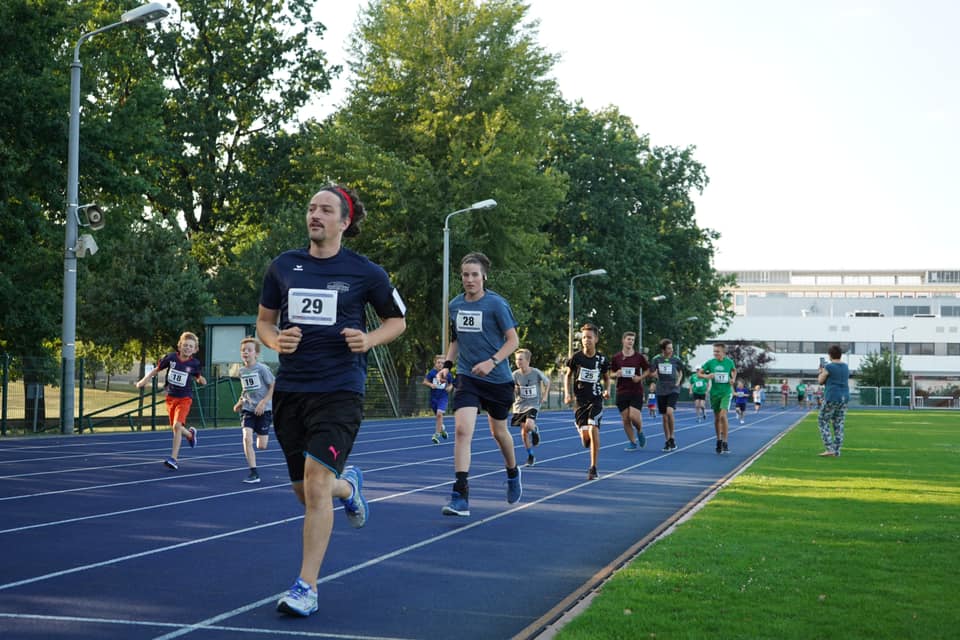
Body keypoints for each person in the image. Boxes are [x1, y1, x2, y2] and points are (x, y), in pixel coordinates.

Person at [257, 184, 407, 617]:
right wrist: (275, 340)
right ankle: (351, 487)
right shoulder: (283, 266)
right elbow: (265, 322)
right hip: (292, 391)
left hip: (340, 389)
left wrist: (369, 338)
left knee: (317, 485)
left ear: (345, 221)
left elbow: (398, 320)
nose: (315, 215)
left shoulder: (366, 272)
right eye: (311, 208)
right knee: (308, 494)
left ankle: (306, 586)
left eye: (326, 210)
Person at [438, 252, 522, 517]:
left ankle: (512, 472)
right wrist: (448, 367)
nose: (470, 279)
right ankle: (460, 495)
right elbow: (456, 340)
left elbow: (513, 341)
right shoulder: (454, 305)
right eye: (465, 275)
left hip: (497, 379)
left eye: (475, 275)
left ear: (484, 276)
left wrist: (492, 362)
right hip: (468, 376)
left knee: (499, 433)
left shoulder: (496, 305)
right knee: (463, 431)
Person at [136, 331, 207, 470]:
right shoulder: (171, 358)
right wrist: (144, 380)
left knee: (176, 427)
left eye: (190, 346)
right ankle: (190, 435)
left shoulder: (194, 363)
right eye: (185, 345)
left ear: (195, 349)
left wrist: (201, 380)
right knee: (177, 428)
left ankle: (173, 459)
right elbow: (156, 370)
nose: (187, 348)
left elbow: (198, 376)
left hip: (185, 398)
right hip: (170, 397)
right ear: (179, 346)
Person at [564, 323, 610, 480]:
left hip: (596, 399)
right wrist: (567, 394)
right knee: (586, 439)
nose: (586, 340)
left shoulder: (602, 359)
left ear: (596, 339)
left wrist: (607, 389)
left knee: (593, 428)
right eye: (584, 337)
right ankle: (584, 435)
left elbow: (606, 377)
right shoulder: (576, 358)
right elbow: (568, 375)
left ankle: (593, 467)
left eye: (589, 337)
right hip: (580, 401)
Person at [232, 337, 275, 483]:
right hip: (248, 409)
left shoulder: (262, 369)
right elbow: (245, 390)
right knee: (246, 438)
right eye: (243, 350)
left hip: (264, 409)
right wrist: (240, 402)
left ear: (256, 354)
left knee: (261, 446)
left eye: (249, 350)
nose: (246, 352)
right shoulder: (242, 370)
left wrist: (263, 403)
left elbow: (273, 386)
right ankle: (253, 472)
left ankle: (259, 431)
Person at [610, 331, 649, 451]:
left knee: (633, 416)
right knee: (625, 419)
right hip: (622, 391)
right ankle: (632, 442)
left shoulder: (639, 357)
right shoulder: (616, 357)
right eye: (628, 339)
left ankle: (640, 431)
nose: (630, 341)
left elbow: (648, 370)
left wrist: (640, 378)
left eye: (632, 340)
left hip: (636, 390)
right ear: (623, 340)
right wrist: (616, 373)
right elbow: (610, 374)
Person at [511, 348, 550, 466]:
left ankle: (534, 430)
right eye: (517, 359)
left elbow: (547, 382)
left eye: (520, 359)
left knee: (529, 424)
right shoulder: (515, 374)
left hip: (533, 404)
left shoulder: (536, 372)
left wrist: (545, 395)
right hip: (519, 406)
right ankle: (531, 455)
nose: (518, 362)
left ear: (528, 360)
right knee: (523, 433)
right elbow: (511, 388)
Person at [698, 343, 737, 454]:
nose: (715, 353)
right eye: (714, 351)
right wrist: (707, 376)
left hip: (726, 393)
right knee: (716, 419)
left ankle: (725, 441)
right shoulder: (710, 363)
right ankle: (718, 440)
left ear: (723, 352)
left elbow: (734, 371)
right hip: (714, 394)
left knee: (723, 416)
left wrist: (733, 379)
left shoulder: (729, 362)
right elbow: (699, 373)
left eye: (718, 351)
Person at [649, 338, 684, 451]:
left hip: (673, 388)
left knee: (669, 411)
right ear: (663, 349)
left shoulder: (676, 359)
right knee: (664, 417)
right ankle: (668, 439)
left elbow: (681, 372)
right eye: (669, 348)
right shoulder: (657, 359)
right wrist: (655, 379)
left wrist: (678, 382)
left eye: (672, 347)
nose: (671, 350)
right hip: (661, 389)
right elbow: (651, 371)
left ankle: (672, 436)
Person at [817, 345, 850, 457]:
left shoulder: (829, 367)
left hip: (832, 396)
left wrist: (821, 372)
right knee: (838, 423)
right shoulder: (846, 367)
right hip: (844, 398)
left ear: (830, 355)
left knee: (822, 420)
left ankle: (829, 448)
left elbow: (821, 381)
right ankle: (837, 451)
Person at [423, 355, 453, 444]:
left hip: (443, 397)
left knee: (440, 414)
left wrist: (450, 388)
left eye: (442, 363)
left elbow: (452, 383)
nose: (440, 364)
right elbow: (425, 381)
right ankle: (442, 430)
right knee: (438, 417)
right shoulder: (432, 373)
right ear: (435, 363)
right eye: (438, 362)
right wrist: (430, 385)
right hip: (434, 398)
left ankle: (436, 434)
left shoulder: (448, 374)